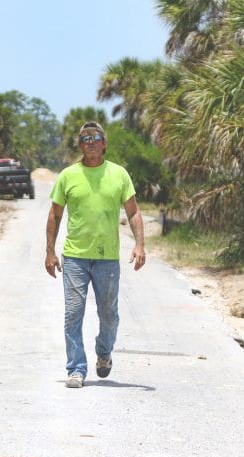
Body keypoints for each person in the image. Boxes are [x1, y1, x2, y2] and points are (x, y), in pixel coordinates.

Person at [45, 121, 145, 388]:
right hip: (75, 257)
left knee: (108, 314)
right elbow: (55, 214)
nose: (90, 142)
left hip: (107, 258)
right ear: (80, 145)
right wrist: (50, 251)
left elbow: (133, 211)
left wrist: (139, 245)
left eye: (95, 137)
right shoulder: (68, 175)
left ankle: (104, 352)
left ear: (104, 143)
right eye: (85, 138)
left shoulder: (119, 174)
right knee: (73, 313)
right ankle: (76, 368)